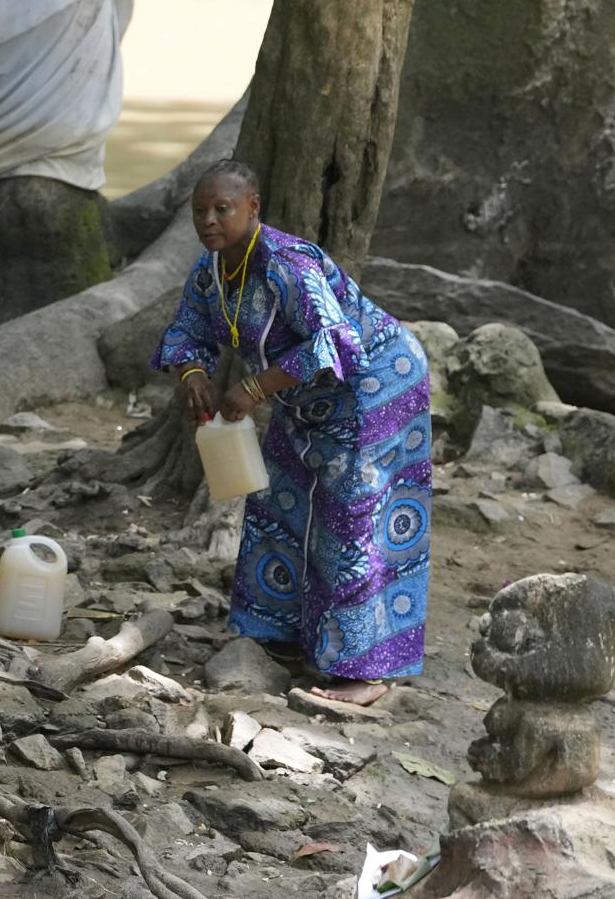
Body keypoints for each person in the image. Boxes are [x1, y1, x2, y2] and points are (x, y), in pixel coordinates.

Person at [151, 161, 431, 706]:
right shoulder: (211, 272)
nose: (209, 220)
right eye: (200, 211)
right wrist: (192, 373)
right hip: (303, 398)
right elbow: (187, 329)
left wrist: (253, 388)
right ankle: (277, 632)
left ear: (252, 208)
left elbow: (337, 342)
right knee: (278, 499)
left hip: (376, 386)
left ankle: (364, 670)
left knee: (351, 515)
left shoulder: (287, 265)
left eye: (222, 209)